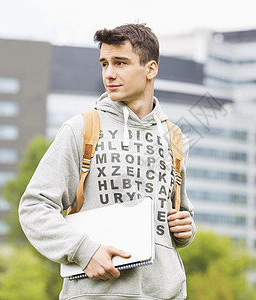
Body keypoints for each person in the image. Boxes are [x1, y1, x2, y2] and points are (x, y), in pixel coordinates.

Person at [18, 23, 195, 300]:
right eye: (104, 64)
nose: (109, 74)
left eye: (120, 63)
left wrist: (185, 229)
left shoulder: (173, 136)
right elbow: (34, 207)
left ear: (150, 69)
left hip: (165, 294)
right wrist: (84, 252)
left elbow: (179, 212)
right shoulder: (82, 128)